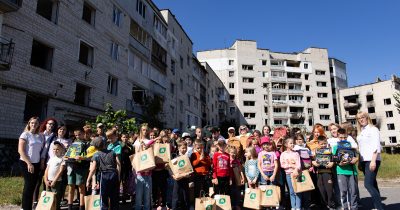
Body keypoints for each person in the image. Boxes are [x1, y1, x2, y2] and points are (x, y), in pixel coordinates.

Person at [356, 112, 384, 210]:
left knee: (367, 184)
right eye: (359, 118)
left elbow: (376, 145)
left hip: (372, 159)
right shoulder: (361, 131)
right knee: (373, 183)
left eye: (363, 117)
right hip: (364, 160)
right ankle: (378, 206)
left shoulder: (373, 129)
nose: (361, 120)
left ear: (367, 118)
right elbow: (361, 148)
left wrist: (373, 161)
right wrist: (360, 161)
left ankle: (379, 208)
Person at [18, 117, 45, 210]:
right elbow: (20, 150)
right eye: (32, 123)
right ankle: (25, 207)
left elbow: (41, 150)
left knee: (33, 185)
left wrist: (41, 162)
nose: (34, 124)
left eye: (36, 123)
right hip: (26, 163)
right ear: (29, 123)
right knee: (29, 185)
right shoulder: (25, 134)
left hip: (36, 163)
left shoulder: (40, 136)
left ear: (38, 125)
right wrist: (29, 163)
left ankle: (28, 207)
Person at [87, 137, 121, 210]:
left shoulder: (96, 155)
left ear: (95, 147)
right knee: (114, 196)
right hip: (114, 174)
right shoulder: (112, 152)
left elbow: (93, 169)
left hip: (104, 175)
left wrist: (88, 180)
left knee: (104, 197)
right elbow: (119, 164)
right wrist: (118, 175)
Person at [333, 128, 359, 210]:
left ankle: (354, 207)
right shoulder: (335, 147)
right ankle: (344, 207)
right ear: (337, 136)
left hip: (352, 171)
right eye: (341, 137)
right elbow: (334, 159)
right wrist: (339, 163)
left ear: (347, 137)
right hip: (341, 172)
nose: (343, 139)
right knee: (343, 191)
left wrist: (355, 160)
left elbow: (356, 156)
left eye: (345, 137)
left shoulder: (351, 146)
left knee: (353, 191)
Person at [66, 129, 89, 210]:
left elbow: (90, 157)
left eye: (79, 134)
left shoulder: (87, 144)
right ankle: (69, 206)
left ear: (83, 134)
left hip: (81, 168)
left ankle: (82, 206)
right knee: (71, 187)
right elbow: (67, 154)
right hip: (71, 167)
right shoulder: (73, 144)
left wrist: (82, 158)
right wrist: (66, 157)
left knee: (81, 188)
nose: (78, 136)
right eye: (76, 135)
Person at [133, 124, 153, 210]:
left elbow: (152, 155)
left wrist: (148, 146)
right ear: (140, 131)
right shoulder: (137, 142)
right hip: (139, 174)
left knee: (147, 197)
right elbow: (135, 156)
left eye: (146, 130)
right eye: (143, 130)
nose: (145, 132)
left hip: (148, 173)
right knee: (138, 197)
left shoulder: (149, 141)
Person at [312, 137, 335, 209]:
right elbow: (313, 160)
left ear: (327, 143)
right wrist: (315, 163)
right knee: (321, 189)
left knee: (329, 190)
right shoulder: (316, 151)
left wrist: (332, 163)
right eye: (321, 144)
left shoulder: (329, 151)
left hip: (328, 173)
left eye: (324, 143)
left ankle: (331, 204)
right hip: (319, 173)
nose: (323, 145)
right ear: (318, 144)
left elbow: (333, 159)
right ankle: (324, 205)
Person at [280, 137, 302, 210]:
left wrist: (296, 169)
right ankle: (293, 207)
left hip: (296, 174)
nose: (292, 144)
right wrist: (291, 165)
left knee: (297, 190)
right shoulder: (283, 154)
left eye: (293, 143)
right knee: (291, 191)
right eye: (291, 143)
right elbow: (282, 164)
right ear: (286, 145)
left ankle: (298, 207)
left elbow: (298, 164)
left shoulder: (296, 154)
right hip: (288, 174)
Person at [44, 141, 66, 210]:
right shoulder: (51, 158)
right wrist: (46, 180)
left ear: (61, 150)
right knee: (48, 198)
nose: (55, 151)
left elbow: (60, 171)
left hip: (57, 182)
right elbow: (46, 170)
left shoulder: (62, 159)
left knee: (56, 198)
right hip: (48, 181)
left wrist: (54, 181)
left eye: (57, 149)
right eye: (54, 149)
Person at [171, 141, 191, 210]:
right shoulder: (175, 157)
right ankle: (174, 208)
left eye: (185, 148)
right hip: (178, 180)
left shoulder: (187, 157)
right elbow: (171, 168)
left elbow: (189, 169)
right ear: (178, 148)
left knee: (185, 196)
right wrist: (173, 175)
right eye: (182, 148)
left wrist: (189, 174)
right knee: (176, 196)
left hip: (185, 179)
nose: (184, 149)